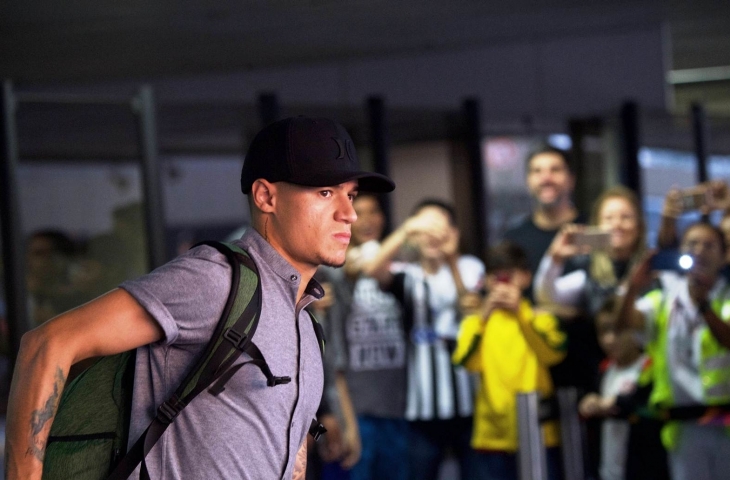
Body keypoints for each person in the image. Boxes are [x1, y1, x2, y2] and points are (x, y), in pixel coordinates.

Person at [4, 116, 395, 480]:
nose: (349, 213)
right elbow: (47, 344)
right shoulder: (216, 279)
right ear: (266, 197)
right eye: (326, 192)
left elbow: (289, 453)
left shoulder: (307, 326)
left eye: (351, 194)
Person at [364, 199, 485, 480]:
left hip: (469, 403)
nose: (431, 235)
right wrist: (406, 230)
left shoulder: (469, 266)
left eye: (438, 226)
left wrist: (451, 258)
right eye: (424, 228)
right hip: (421, 408)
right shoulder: (408, 275)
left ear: (454, 232)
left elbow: (469, 304)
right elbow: (373, 270)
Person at [615, 221, 730, 480]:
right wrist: (633, 287)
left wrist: (705, 307)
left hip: (725, 422)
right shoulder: (665, 298)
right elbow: (623, 325)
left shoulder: (727, 297)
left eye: (709, 245)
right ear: (681, 252)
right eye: (692, 244)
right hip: (682, 424)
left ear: (724, 256)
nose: (699, 251)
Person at [452, 242, 566, 480]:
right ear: (487, 281)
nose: (502, 284)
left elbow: (553, 354)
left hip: (539, 433)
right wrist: (484, 317)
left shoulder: (540, 319)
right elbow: (465, 362)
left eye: (509, 276)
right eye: (496, 277)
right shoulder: (475, 323)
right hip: (492, 436)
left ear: (526, 278)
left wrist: (521, 316)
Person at [328, 193, 409, 480]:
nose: (367, 219)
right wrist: (344, 419)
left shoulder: (402, 270)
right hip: (356, 407)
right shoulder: (333, 273)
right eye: (358, 212)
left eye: (373, 211)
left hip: (400, 407)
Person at [578, 297, 658, 480]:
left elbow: (649, 409)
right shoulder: (604, 370)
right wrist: (588, 403)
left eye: (617, 330)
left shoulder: (649, 366)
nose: (609, 339)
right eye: (603, 331)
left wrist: (617, 404)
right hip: (607, 470)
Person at [502, 144, 583, 300]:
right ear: (528, 182)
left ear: (571, 180)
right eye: (537, 171)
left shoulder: (591, 229)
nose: (546, 178)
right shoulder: (513, 239)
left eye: (555, 170)